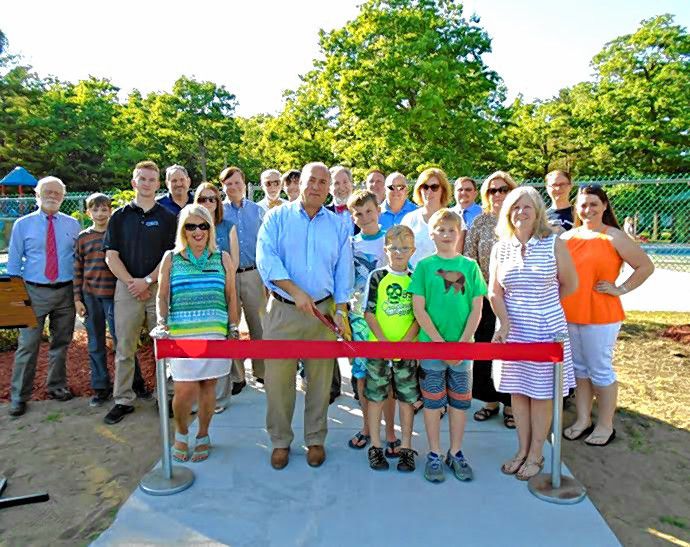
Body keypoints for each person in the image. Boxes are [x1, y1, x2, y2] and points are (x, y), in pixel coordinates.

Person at [256, 161, 353, 470]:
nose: (317, 186)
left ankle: (315, 439)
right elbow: (266, 258)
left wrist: (340, 308)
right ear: (299, 182)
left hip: (323, 312)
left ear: (329, 188)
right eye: (312, 180)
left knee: (321, 380)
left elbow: (343, 269)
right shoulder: (277, 217)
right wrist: (295, 291)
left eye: (324, 182)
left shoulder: (338, 224)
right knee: (278, 381)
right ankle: (280, 441)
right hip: (284, 310)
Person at [489, 187, 578, 480]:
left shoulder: (553, 243)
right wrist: (504, 323)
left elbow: (570, 284)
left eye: (527, 207)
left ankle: (537, 453)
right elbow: (494, 292)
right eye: (515, 208)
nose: (521, 213)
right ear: (507, 213)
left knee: (541, 395)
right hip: (514, 332)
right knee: (519, 393)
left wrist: (544, 307)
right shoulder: (500, 247)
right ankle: (521, 450)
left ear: (538, 211)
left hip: (546, 332)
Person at [561, 184, 654, 446]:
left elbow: (645, 266)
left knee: (599, 370)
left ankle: (605, 425)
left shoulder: (614, 236)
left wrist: (620, 289)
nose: (587, 209)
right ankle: (582, 419)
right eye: (583, 204)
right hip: (571, 312)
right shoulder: (567, 238)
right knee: (579, 370)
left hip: (601, 314)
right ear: (575, 207)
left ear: (603, 206)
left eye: (593, 204)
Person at [156, 204, 240, 463]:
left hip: (214, 334)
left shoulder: (222, 257)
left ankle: (203, 434)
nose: (197, 231)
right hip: (182, 336)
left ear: (210, 229)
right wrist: (162, 322)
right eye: (190, 226)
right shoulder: (171, 258)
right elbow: (162, 295)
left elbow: (231, 296)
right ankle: (181, 434)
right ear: (183, 229)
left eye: (203, 225)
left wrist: (233, 327)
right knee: (184, 389)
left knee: (208, 387)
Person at [409, 209, 486, 483]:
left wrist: (462, 344)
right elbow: (419, 308)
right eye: (440, 230)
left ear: (459, 233)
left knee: (459, 403)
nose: (446, 235)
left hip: (463, 351)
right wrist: (441, 346)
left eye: (451, 230)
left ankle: (456, 451)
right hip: (432, 349)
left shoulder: (470, 267)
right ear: (431, 234)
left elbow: (477, 307)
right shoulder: (424, 266)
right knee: (432, 402)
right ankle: (434, 452)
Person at [103, 161, 177, 425]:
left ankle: (164, 396)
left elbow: (171, 256)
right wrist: (133, 282)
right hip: (126, 289)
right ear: (134, 182)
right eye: (142, 179)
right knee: (124, 347)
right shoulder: (119, 217)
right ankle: (123, 399)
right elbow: (111, 257)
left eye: (151, 179)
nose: (147, 183)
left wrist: (147, 280)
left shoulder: (168, 217)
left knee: (165, 346)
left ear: (158, 184)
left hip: (158, 287)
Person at [7, 176, 80, 417]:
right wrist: (14, 300)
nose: (52, 196)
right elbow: (14, 263)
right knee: (27, 345)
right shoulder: (22, 224)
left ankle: (57, 386)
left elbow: (78, 260)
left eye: (57, 193)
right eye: (47, 191)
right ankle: (19, 396)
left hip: (65, 292)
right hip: (33, 291)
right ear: (37, 194)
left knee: (61, 343)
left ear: (63, 196)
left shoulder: (72, 225)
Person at [74, 193, 148, 407]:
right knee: (95, 343)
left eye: (104, 209)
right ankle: (101, 387)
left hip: (115, 295)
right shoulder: (83, 238)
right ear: (88, 212)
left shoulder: (118, 235)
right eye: (95, 210)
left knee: (123, 341)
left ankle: (135, 383)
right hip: (90, 297)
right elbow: (77, 269)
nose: (100, 213)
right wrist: (77, 298)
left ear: (110, 211)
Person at [346, 190, 400, 456]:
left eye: (369, 211)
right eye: (358, 213)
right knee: (363, 375)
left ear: (378, 210)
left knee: (386, 377)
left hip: (388, 318)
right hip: (359, 321)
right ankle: (367, 426)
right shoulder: (351, 244)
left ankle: (390, 431)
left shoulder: (390, 241)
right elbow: (345, 280)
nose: (365, 217)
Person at [464, 171, 518, 428]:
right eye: (492, 190)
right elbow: (469, 259)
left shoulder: (519, 221)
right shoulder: (480, 222)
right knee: (485, 347)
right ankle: (489, 401)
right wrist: (481, 292)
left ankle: (510, 404)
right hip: (485, 297)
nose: (498, 195)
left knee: (510, 351)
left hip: (515, 299)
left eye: (503, 189)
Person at [364, 225, 420, 472]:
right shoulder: (376, 277)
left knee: (406, 400)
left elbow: (419, 315)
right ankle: (375, 446)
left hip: (407, 352)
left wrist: (406, 342)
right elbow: (369, 312)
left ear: (413, 250)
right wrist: (384, 343)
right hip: (378, 350)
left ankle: (406, 446)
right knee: (376, 397)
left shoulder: (416, 277)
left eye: (405, 248)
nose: (399, 253)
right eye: (394, 248)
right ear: (386, 250)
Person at [194, 182, 240, 413]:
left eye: (212, 199)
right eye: (202, 199)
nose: (208, 203)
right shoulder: (189, 226)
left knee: (222, 343)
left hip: (222, 291)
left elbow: (235, 262)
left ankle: (220, 397)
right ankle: (200, 396)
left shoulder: (227, 227)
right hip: (196, 294)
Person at [221, 166, 266, 391]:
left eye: (237, 183)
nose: (233, 187)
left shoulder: (258, 211)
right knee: (232, 327)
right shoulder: (218, 212)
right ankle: (237, 376)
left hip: (253, 274)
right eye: (228, 184)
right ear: (223, 186)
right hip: (228, 276)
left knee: (258, 325)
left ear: (244, 183)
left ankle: (262, 371)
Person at [402, 167, 461, 269]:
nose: (429, 191)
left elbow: (457, 255)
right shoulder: (409, 219)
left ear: (443, 190)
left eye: (434, 187)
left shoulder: (454, 218)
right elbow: (401, 251)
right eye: (425, 187)